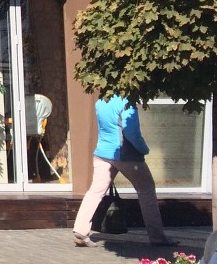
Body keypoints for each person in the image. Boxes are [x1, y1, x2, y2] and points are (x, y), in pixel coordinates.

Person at [72, 94, 174, 247]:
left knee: (95, 191)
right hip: (125, 154)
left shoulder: (101, 101)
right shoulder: (127, 102)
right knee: (146, 189)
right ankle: (157, 237)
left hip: (102, 153)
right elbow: (131, 132)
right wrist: (144, 149)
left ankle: (80, 229)